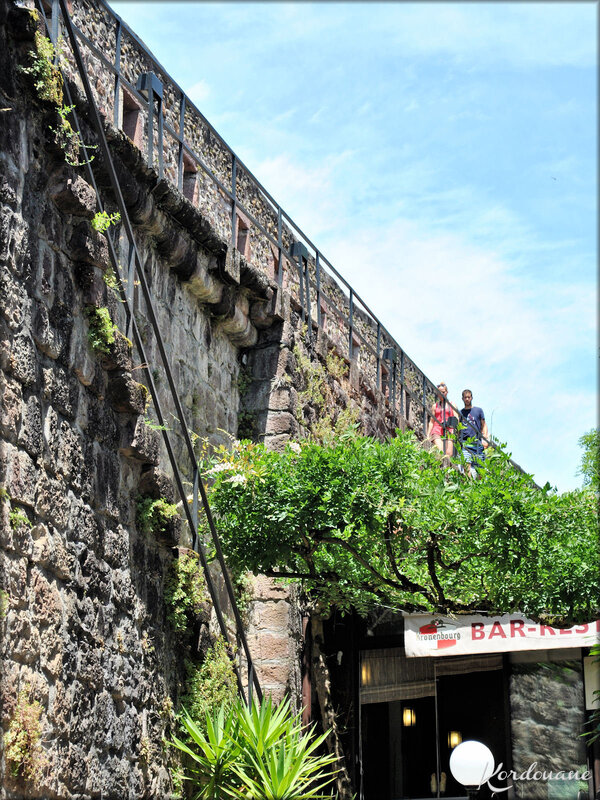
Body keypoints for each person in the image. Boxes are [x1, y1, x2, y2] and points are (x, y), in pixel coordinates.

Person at [458, 389, 489, 477]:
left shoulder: (478, 410)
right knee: (466, 466)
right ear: (462, 399)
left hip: (477, 443)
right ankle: (469, 484)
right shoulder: (461, 413)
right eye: (465, 397)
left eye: (468, 397)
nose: (467, 399)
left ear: (471, 398)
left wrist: (485, 438)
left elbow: (484, 425)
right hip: (466, 443)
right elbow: (459, 428)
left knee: (480, 470)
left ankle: (478, 488)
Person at [426, 383, 458, 457]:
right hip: (437, 429)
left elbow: (457, 418)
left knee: (448, 454)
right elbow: (431, 421)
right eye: (440, 392)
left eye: (443, 392)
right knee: (440, 452)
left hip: (449, 430)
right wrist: (428, 434)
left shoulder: (452, 405)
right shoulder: (435, 406)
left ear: (446, 392)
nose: (441, 394)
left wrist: (453, 426)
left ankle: (444, 468)